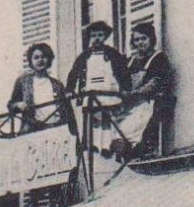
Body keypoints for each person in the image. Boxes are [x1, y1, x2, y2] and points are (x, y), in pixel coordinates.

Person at [65, 20, 134, 158]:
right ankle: (94, 145)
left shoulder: (113, 54)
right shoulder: (84, 57)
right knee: (94, 119)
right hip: (90, 92)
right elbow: (73, 74)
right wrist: (70, 89)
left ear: (105, 36)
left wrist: (126, 88)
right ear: (90, 37)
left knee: (107, 119)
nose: (97, 38)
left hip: (108, 91)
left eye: (100, 35)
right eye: (94, 35)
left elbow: (124, 73)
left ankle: (107, 145)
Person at [122, 23, 175, 158]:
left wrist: (135, 94)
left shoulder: (159, 58)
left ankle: (143, 149)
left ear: (151, 39)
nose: (140, 43)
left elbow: (156, 82)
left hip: (151, 100)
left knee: (139, 123)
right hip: (133, 102)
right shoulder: (130, 61)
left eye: (143, 38)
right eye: (137, 40)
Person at [7, 43, 74, 134]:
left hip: (56, 128)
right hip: (33, 129)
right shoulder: (23, 81)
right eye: (36, 57)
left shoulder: (57, 84)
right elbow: (11, 105)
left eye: (43, 57)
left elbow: (67, 111)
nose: (40, 60)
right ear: (31, 61)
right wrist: (18, 105)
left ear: (49, 59)